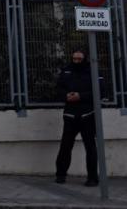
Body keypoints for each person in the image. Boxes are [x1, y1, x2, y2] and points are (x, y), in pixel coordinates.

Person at [55, 49, 101, 186]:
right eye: (74, 58)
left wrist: (81, 96)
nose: (76, 61)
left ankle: (92, 178)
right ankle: (60, 175)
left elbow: (100, 90)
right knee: (65, 146)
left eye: (79, 59)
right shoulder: (66, 71)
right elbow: (58, 88)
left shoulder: (92, 71)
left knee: (90, 147)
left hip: (87, 115)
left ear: (84, 59)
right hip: (70, 115)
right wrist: (66, 96)